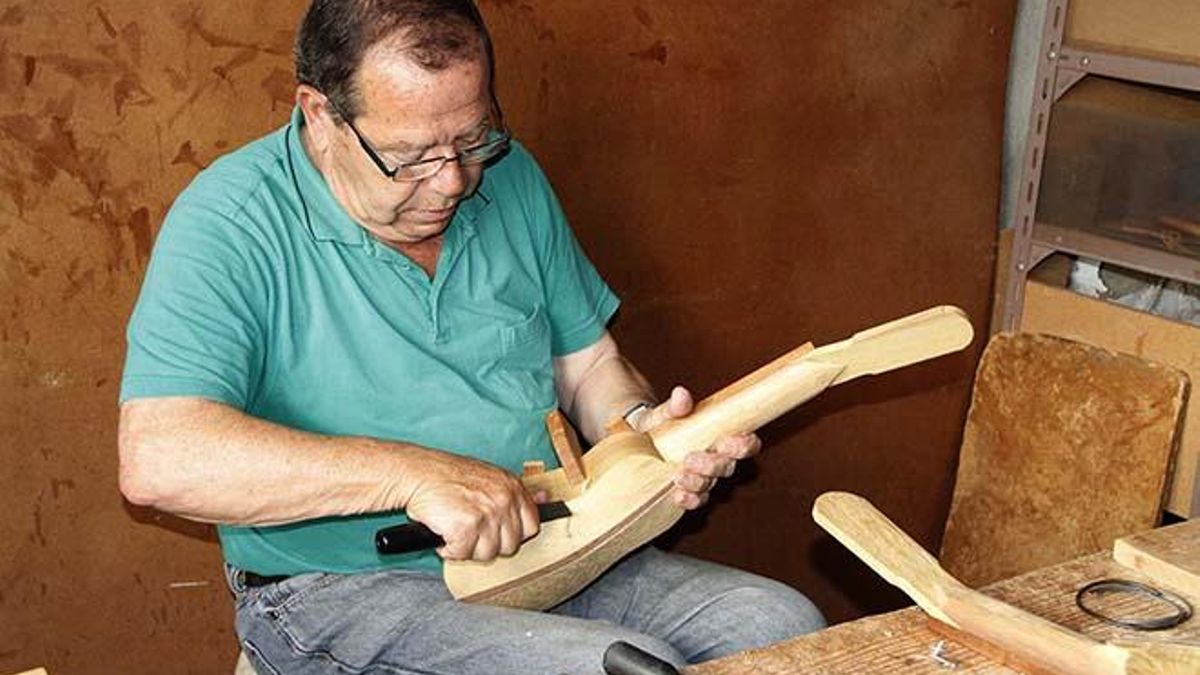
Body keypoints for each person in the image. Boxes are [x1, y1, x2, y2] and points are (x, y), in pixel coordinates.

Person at [117, 1, 825, 672]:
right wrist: (414, 474)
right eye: (412, 154)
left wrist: (647, 437)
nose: (453, 180)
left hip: (552, 546)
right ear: (321, 115)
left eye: (473, 136)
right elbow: (160, 456)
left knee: (776, 625)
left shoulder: (511, 181)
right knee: (614, 666)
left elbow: (589, 367)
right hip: (339, 585)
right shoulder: (232, 221)